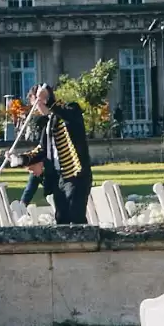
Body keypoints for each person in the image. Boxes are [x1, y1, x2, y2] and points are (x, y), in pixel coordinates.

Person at [45, 88, 95, 226]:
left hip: (76, 175)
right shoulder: (49, 123)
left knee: (76, 218)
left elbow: (67, 115)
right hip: (60, 177)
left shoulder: (71, 110)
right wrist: (21, 159)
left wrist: (49, 101)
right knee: (61, 219)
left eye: (39, 102)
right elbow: (42, 149)